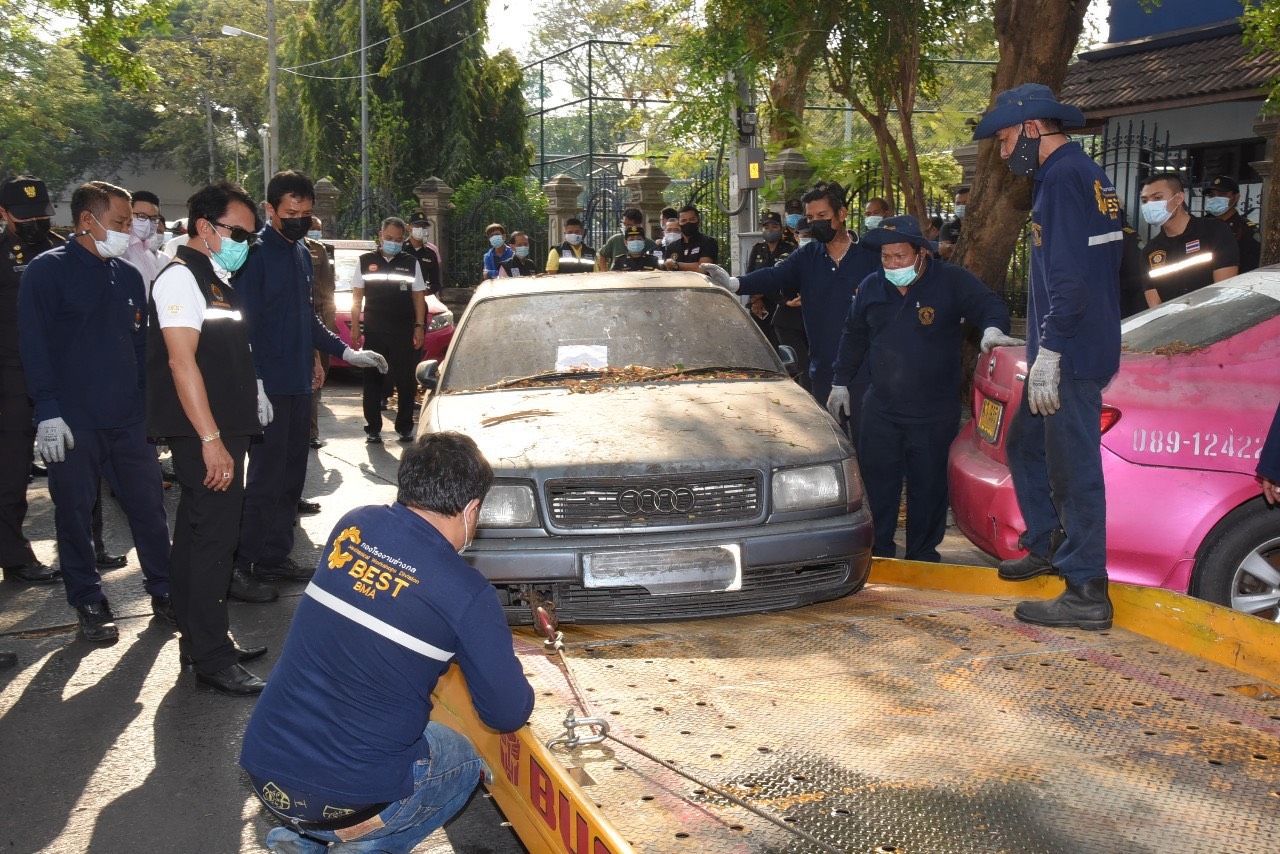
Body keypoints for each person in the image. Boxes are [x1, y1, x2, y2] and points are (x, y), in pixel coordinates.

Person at [240, 432, 535, 854]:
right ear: (472, 509)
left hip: (266, 771)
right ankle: (361, 847)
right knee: (462, 759)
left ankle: (300, 841)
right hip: (350, 800)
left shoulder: (354, 523)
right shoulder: (467, 593)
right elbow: (507, 712)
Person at [973, 83, 1125, 630]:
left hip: (1073, 352)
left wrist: (1052, 349)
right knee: (1026, 445)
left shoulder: (1062, 179)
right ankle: (1047, 542)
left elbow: (1069, 280)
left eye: (1006, 138)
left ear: (1033, 128)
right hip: (1072, 344)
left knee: (1072, 472)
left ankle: (1086, 590)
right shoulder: (1080, 173)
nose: (1002, 150)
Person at [18, 181, 175, 642]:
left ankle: (165, 590)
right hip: (73, 421)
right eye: (121, 222)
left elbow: (141, 346)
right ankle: (88, 599)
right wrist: (47, 411)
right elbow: (33, 346)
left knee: (149, 509)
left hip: (128, 420)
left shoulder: (126, 275)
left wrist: (149, 407)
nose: (129, 231)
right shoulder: (47, 272)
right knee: (75, 514)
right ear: (88, 220)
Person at [233, 171, 388, 599]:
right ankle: (241, 565)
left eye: (305, 212)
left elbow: (307, 319)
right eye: (291, 213)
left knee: (291, 477)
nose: (300, 220)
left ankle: (274, 556)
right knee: (264, 480)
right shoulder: (253, 256)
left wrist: (344, 352)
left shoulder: (302, 253)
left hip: (298, 383)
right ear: (270, 210)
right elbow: (242, 325)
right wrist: (254, 379)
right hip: (268, 387)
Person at [827, 216, 1013, 561]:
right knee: (878, 484)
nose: (892, 264)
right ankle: (880, 551)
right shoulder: (872, 286)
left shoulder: (951, 281)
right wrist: (840, 382)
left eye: (900, 256)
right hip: (882, 409)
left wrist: (992, 330)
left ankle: (923, 553)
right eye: (886, 257)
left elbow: (990, 305)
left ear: (921, 253)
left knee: (928, 486)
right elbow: (853, 336)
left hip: (933, 411)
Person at [146, 181, 269, 695]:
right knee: (214, 542)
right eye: (238, 232)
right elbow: (181, 363)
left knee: (197, 537)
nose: (245, 242)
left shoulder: (215, 278)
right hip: (206, 434)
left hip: (222, 428)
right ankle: (212, 657)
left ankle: (200, 640)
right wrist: (211, 439)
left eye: (250, 236)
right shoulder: (181, 278)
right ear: (204, 227)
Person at [701, 180, 878, 406]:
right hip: (823, 371)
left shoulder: (871, 256)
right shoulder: (808, 256)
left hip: (866, 373)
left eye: (822, 215)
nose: (815, 222)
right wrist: (733, 283)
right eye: (810, 217)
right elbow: (774, 275)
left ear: (841, 213)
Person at [0, 176, 62, 586]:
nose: (35, 223)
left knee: (78, 466)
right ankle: (13, 554)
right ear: (4, 214)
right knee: (11, 468)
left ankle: (88, 545)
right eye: (25, 217)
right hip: (13, 376)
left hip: (63, 373)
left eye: (41, 214)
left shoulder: (63, 249)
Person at [352, 217, 426, 444]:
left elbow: (418, 297)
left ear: (403, 239)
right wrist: (355, 326)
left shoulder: (411, 262)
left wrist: (419, 327)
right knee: (372, 380)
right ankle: (373, 428)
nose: (393, 242)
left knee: (406, 380)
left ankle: (404, 427)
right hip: (374, 331)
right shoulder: (365, 261)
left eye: (398, 239)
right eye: (389, 238)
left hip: (403, 331)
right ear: (380, 236)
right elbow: (357, 297)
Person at [1140, 172, 1238, 307]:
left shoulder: (1214, 232)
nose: (1150, 205)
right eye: (1145, 201)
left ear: (1179, 198)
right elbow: (1155, 305)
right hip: (1174, 319)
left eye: (1157, 198)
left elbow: (1225, 292)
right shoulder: (1150, 251)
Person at [304, 216, 336, 452]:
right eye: (312, 228)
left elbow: (327, 288)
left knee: (316, 374)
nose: (315, 232)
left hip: (315, 317)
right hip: (293, 318)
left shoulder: (319, 250)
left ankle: (311, 432)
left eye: (318, 229)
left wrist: (329, 325)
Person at [745, 211, 795, 347]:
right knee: (760, 344)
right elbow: (750, 275)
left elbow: (784, 277)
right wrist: (756, 300)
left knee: (779, 344)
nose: (770, 230)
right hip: (759, 305)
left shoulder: (789, 249)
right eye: (766, 227)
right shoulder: (757, 249)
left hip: (780, 303)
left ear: (781, 228)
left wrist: (762, 294)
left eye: (774, 226)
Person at [1202, 175, 1261, 274]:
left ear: (1236, 197)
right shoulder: (1202, 224)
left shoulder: (1245, 229)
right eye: (1211, 195)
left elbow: (1250, 265)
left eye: (1222, 194)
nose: (1216, 199)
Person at [124, 189, 164, 289]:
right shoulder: (121, 250)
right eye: (142, 216)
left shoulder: (149, 254)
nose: (148, 222)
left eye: (153, 219)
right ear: (128, 214)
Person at [663, 204, 719, 271]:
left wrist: (676, 265)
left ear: (698, 221)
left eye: (692, 219)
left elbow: (703, 268)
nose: (688, 223)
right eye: (683, 221)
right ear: (679, 224)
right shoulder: (672, 247)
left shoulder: (708, 242)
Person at [405, 211, 443, 294]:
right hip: (401, 296)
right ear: (408, 227)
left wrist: (427, 290)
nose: (421, 229)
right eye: (417, 225)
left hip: (422, 296)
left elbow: (435, 283)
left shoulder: (430, 253)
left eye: (424, 226)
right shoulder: (401, 250)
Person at [937, 188, 968, 259]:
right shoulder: (947, 227)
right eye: (958, 203)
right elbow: (943, 251)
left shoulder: (983, 226)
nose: (961, 206)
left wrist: (951, 247)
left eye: (965, 203)